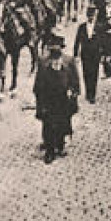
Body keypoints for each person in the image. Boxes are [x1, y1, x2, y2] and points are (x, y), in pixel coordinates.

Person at [33, 32, 80, 163]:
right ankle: (49, 151)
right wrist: (40, 103)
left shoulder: (69, 61)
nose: (55, 50)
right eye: (52, 48)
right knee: (48, 125)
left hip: (63, 100)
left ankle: (60, 144)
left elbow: (75, 82)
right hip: (48, 100)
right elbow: (38, 84)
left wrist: (73, 93)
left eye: (57, 48)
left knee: (62, 123)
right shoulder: (43, 63)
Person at [74, 5, 103, 104]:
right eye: (89, 15)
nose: (91, 17)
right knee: (86, 73)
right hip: (85, 54)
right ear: (87, 16)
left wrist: (103, 54)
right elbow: (77, 40)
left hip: (95, 54)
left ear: (95, 16)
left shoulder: (99, 27)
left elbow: (103, 41)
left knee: (94, 74)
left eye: (92, 15)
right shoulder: (82, 27)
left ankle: (92, 95)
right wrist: (75, 54)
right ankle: (88, 92)